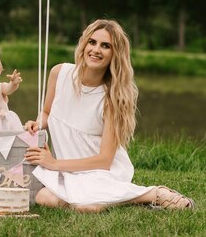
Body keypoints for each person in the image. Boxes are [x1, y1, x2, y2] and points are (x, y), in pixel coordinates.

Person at [24, 19, 195, 212]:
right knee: (43, 197)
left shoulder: (111, 98)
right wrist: (38, 123)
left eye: (106, 46)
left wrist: (54, 163)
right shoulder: (59, 73)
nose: (96, 50)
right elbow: (47, 112)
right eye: (92, 42)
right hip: (69, 169)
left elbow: (104, 160)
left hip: (99, 170)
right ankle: (102, 200)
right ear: (84, 44)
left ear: (115, 54)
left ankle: (152, 194)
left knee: (88, 207)